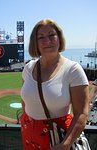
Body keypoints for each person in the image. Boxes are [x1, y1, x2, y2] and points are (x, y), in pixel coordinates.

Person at [20, 19, 90, 150]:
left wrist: (65, 144)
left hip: (58, 138)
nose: (47, 41)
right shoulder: (28, 68)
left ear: (59, 37)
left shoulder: (73, 69)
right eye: (41, 37)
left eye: (52, 35)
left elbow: (81, 113)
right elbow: (25, 100)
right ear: (35, 43)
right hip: (29, 134)